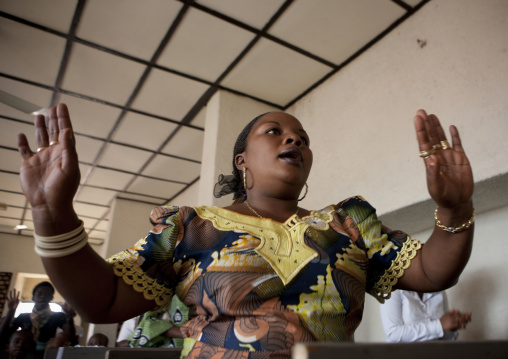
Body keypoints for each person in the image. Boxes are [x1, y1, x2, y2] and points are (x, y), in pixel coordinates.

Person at [16, 104, 475, 358]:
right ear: (242, 162)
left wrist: (454, 210)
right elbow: (104, 299)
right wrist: (52, 218)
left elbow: (433, 274)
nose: (294, 140)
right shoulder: (189, 226)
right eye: (275, 132)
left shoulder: (349, 222)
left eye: (302, 138)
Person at [1, 283, 76, 352]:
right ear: (33, 298)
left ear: (51, 297)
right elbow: (3, 336)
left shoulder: (58, 316)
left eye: (47, 294)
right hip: (24, 354)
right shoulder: (23, 316)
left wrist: (69, 316)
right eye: (39, 294)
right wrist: (11, 310)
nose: (43, 296)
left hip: (46, 354)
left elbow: (69, 336)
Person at [380, 290, 471, 342]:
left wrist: (453, 326)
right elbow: (393, 333)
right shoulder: (391, 288)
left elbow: (444, 338)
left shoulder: (439, 290)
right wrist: (439, 325)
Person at [116, 296, 188, 348]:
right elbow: (120, 344)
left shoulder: (164, 303)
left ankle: (190, 334)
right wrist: (139, 335)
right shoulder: (131, 320)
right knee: (149, 326)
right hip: (152, 344)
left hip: (174, 325)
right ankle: (191, 334)